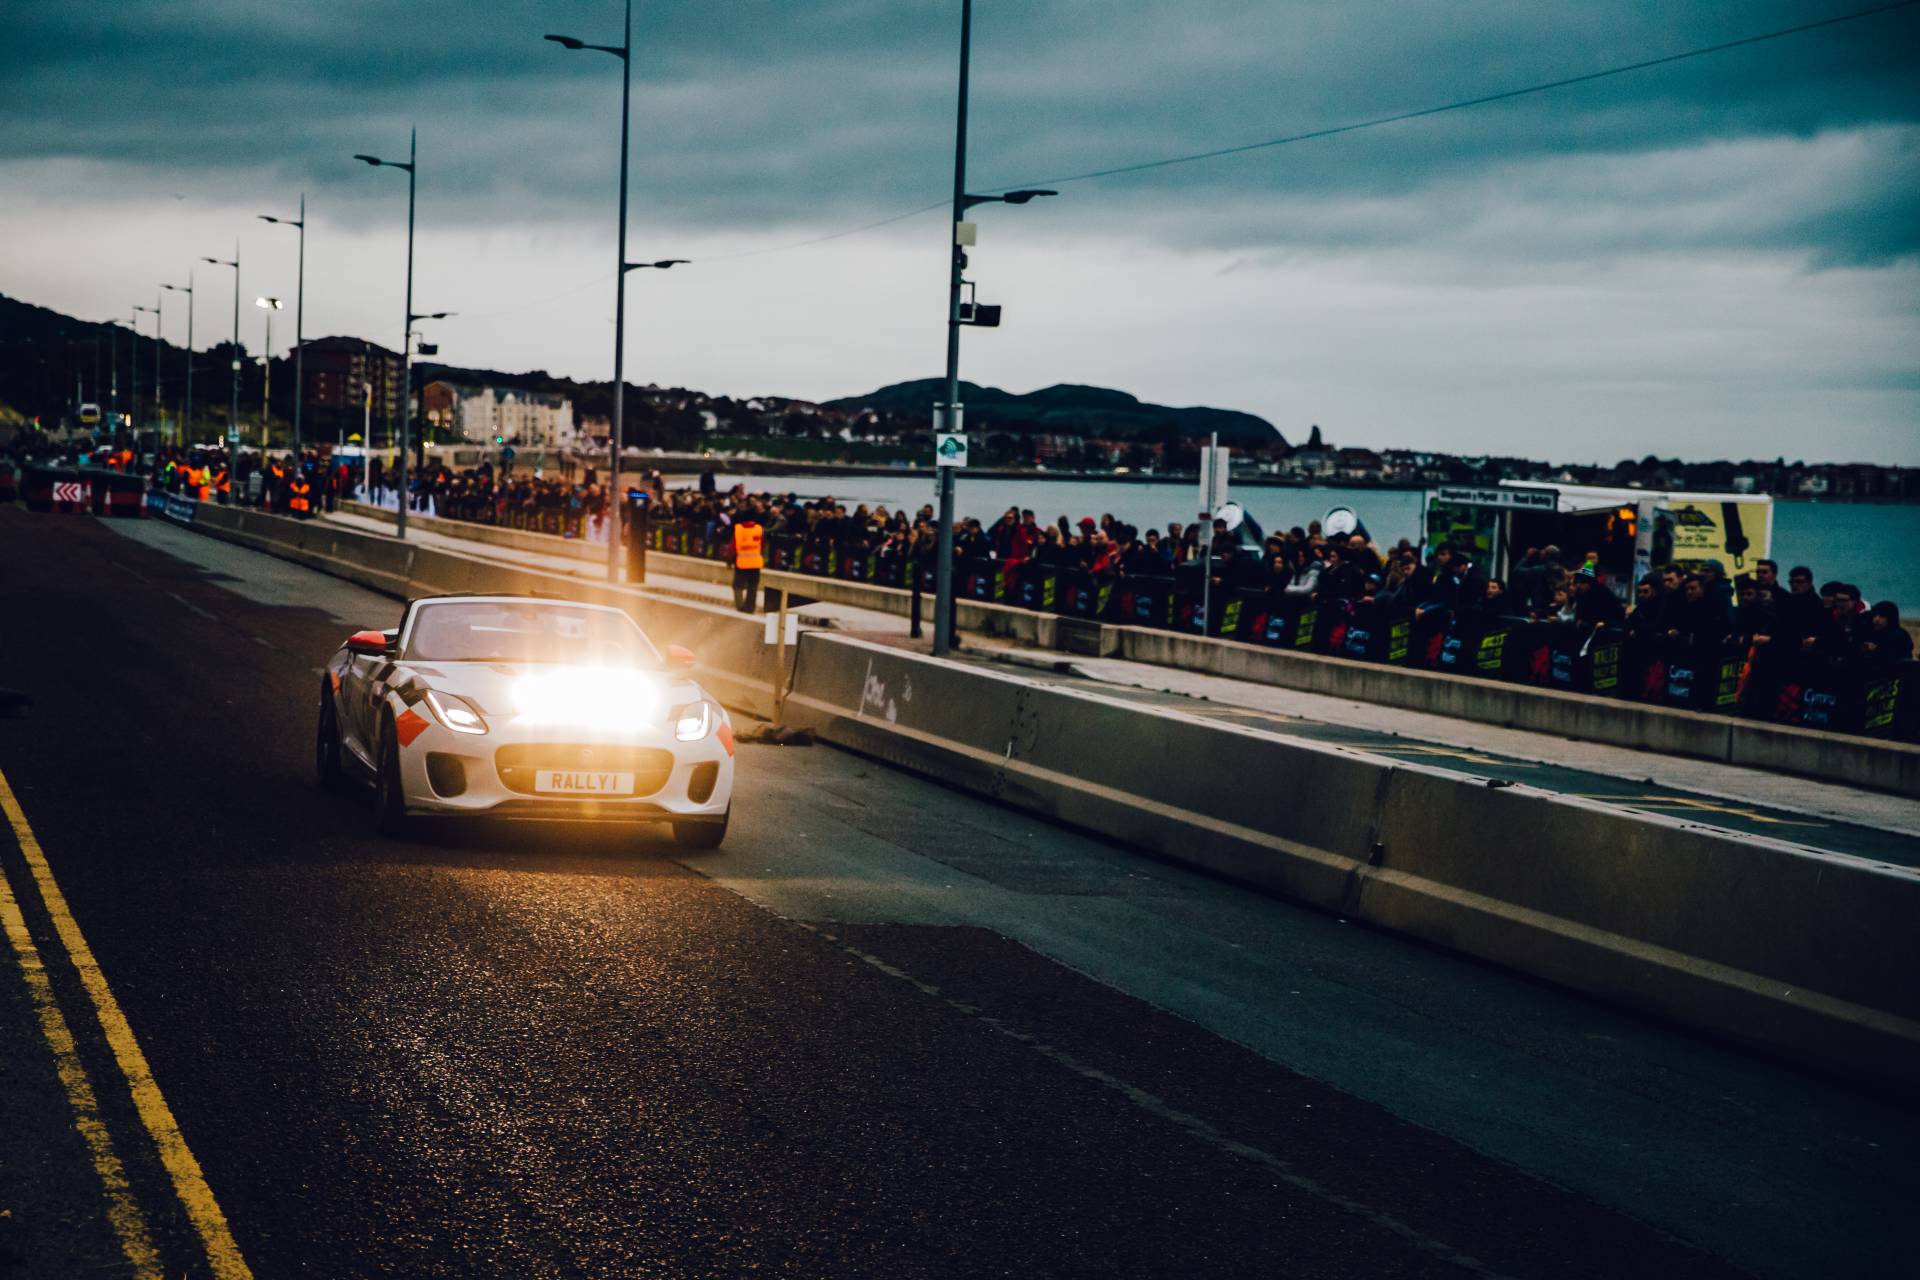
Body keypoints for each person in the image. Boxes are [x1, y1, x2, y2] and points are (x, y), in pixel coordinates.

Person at [729, 507, 764, 613]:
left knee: (737, 585)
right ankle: (750, 608)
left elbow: (732, 547)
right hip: (756, 563)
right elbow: (762, 545)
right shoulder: (759, 529)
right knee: (752, 586)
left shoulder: (738, 529)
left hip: (741, 562)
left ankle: (740, 606)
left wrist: (729, 560)